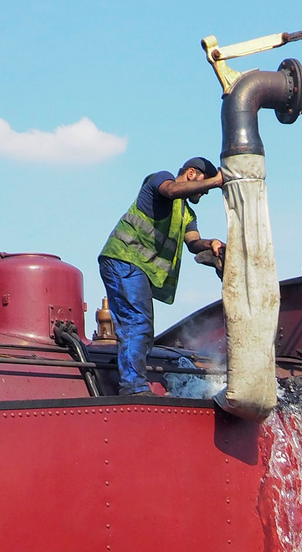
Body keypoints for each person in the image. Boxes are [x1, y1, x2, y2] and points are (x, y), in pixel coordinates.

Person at [97, 160, 227, 395]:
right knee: (137, 322)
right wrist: (217, 180)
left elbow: (193, 243)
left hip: (138, 267)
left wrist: (212, 243)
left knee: (143, 328)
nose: (204, 191)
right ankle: (133, 387)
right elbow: (171, 190)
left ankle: (127, 375)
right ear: (191, 174)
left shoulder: (187, 214)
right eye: (203, 185)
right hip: (124, 258)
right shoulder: (161, 179)